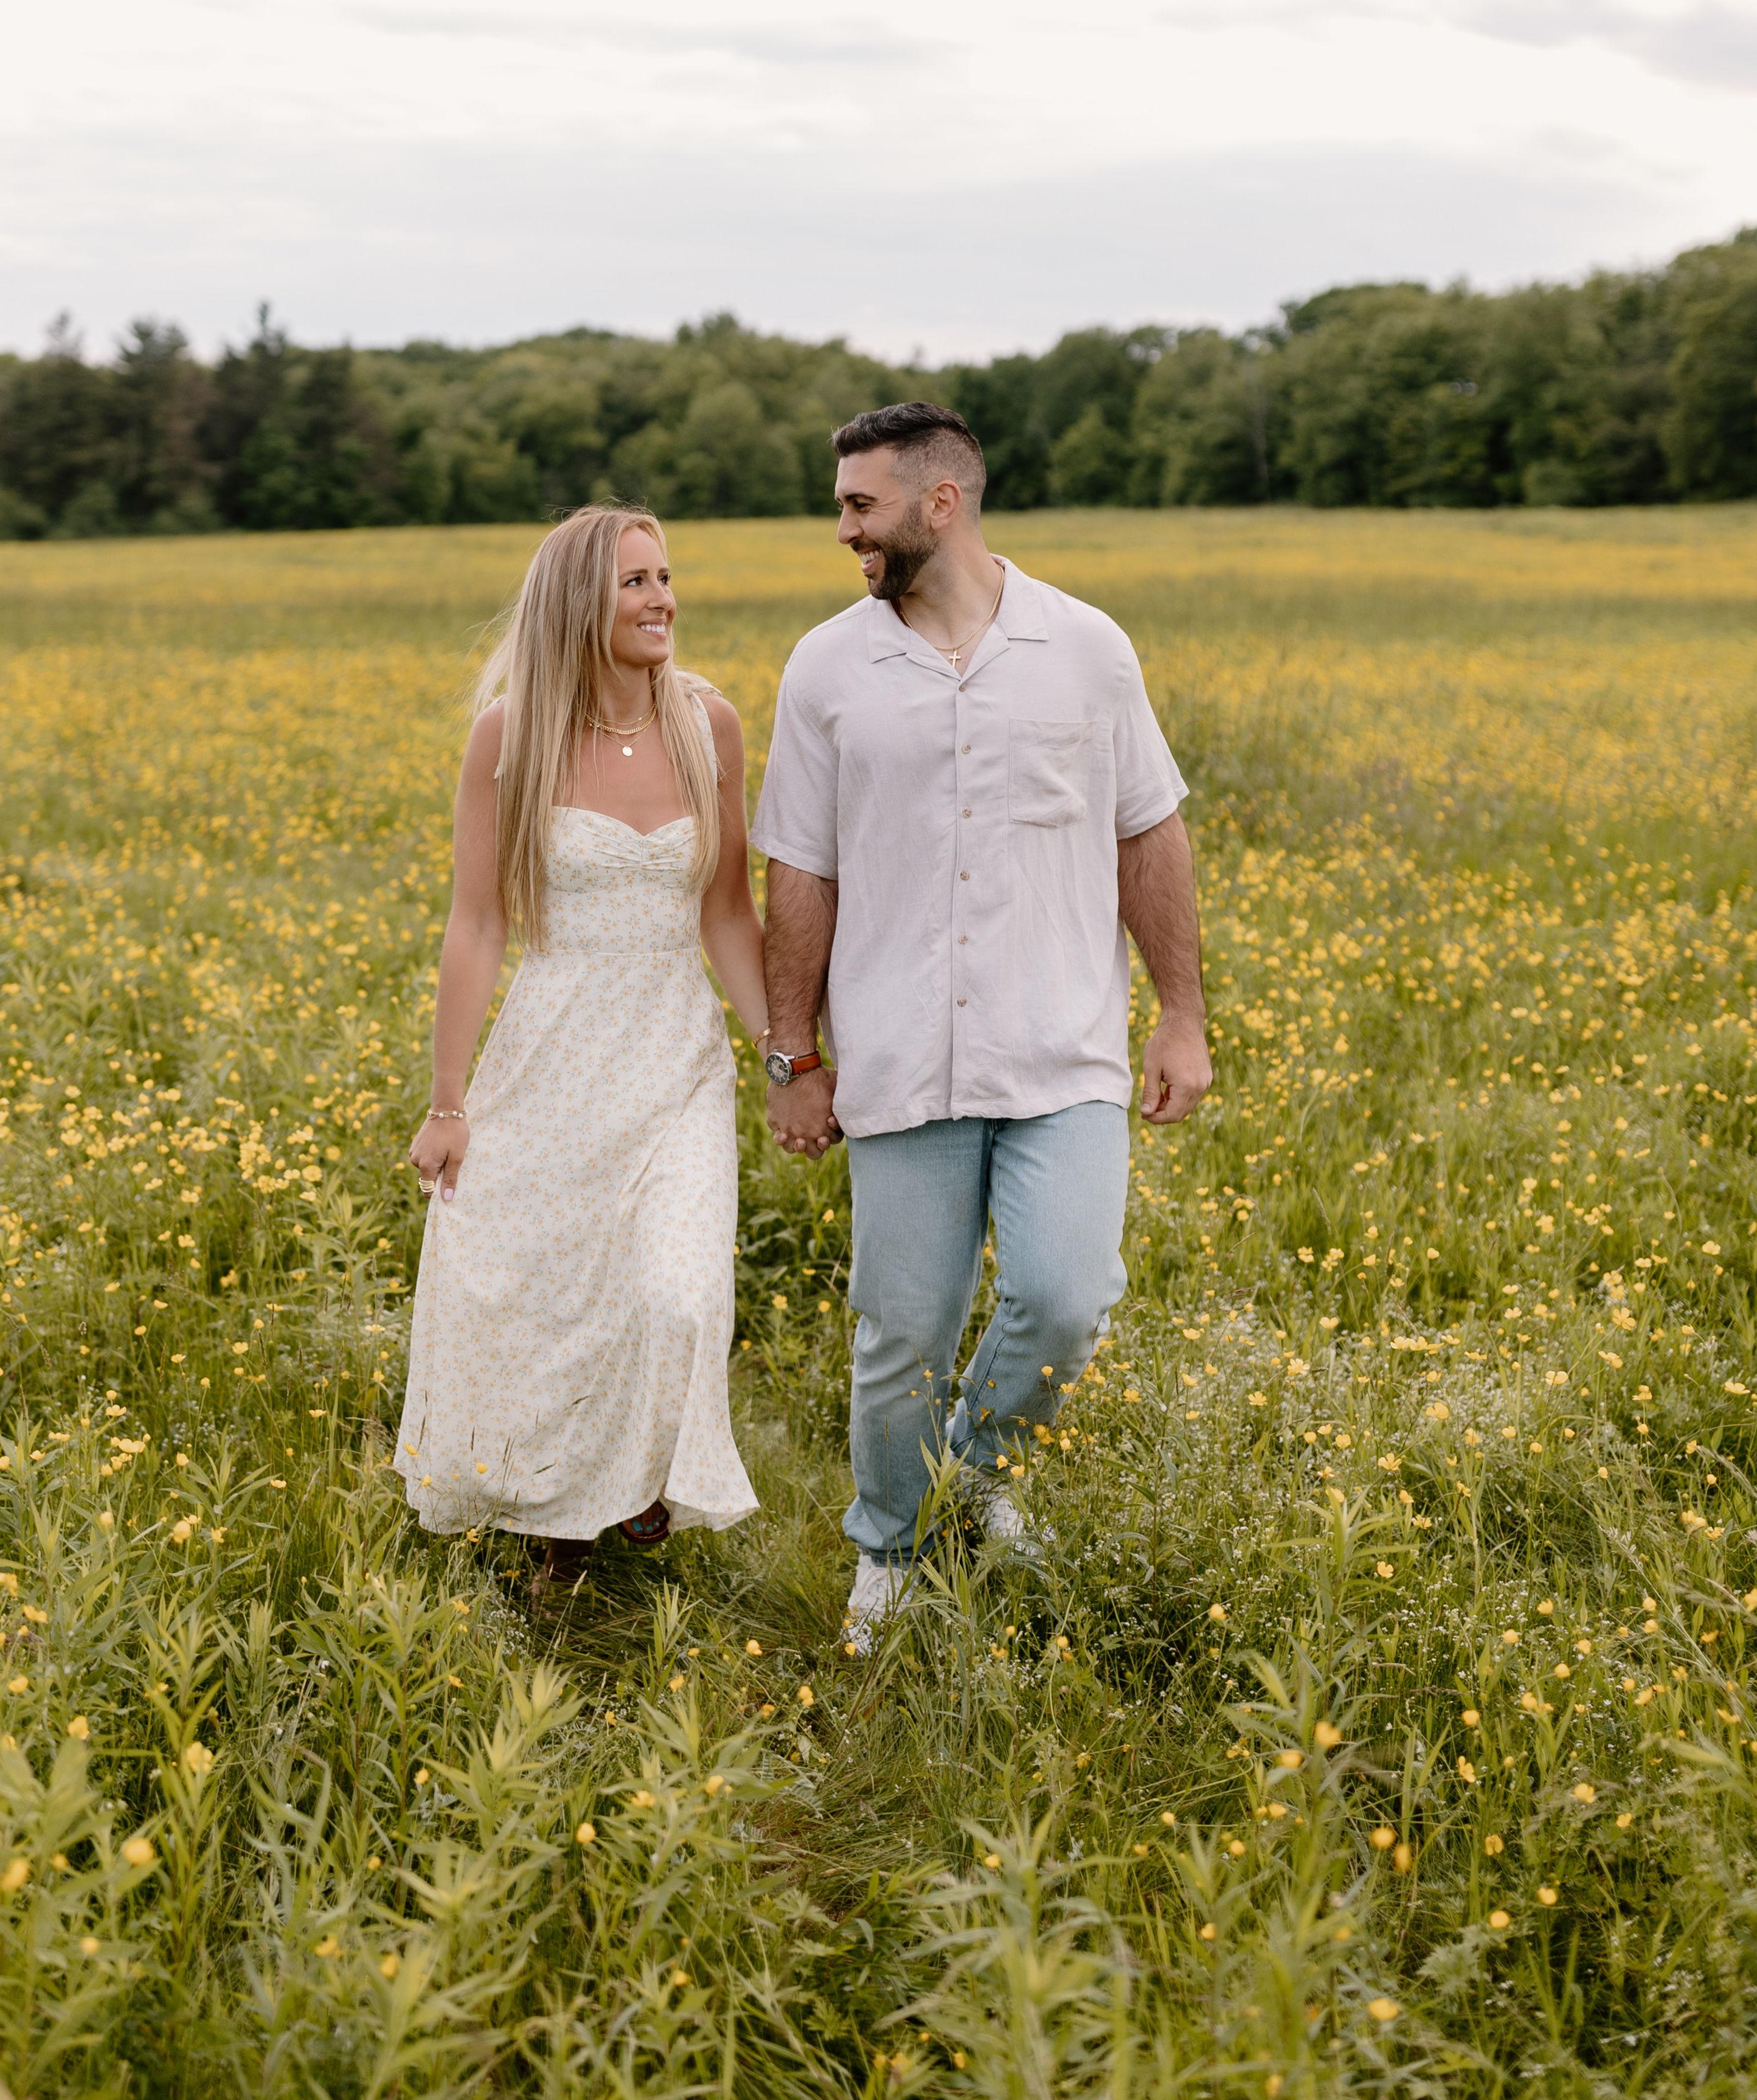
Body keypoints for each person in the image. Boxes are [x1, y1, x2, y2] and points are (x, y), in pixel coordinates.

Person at [752, 401, 1211, 1655]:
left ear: (940, 502)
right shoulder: (827, 668)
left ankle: (974, 1474)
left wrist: (1181, 1014)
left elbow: (1147, 831)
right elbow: (799, 870)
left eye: (860, 505)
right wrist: (793, 1054)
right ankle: (890, 1550)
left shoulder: (1087, 648)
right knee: (902, 1333)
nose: (843, 528)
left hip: (1064, 1050)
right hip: (901, 1054)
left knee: (1066, 1297)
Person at [395, 506, 768, 1586]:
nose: (662, 599)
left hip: (676, 1059)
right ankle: (557, 1528)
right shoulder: (509, 735)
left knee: (674, 1295)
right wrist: (448, 1101)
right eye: (634, 582)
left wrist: (784, 1056)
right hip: (550, 1056)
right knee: (548, 1295)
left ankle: (640, 1482)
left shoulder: (709, 724)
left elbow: (728, 913)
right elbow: (477, 922)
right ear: (575, 603)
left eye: (665, 576)